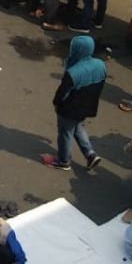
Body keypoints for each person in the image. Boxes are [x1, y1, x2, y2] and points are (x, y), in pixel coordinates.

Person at [41, 35, 105, 171]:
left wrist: (56, 104)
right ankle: (90, 154)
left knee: (65, 134)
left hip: (69, 110)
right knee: (77, 128)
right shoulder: (100, 65)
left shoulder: (73, 72)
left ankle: (63, 161)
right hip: (87, 107)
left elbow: (62, 94)